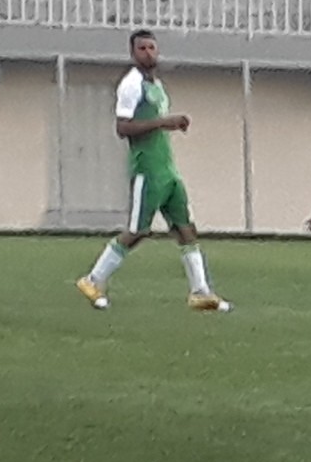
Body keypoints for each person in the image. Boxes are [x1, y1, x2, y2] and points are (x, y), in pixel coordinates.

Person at [78, 31, 228, 314]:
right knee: (138, 231)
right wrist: (162, 123)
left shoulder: (157, 85)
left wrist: (172, 123)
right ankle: (92, 280)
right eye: (142, 48)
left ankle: (200, 291)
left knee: (185, 228)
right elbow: (123, 128)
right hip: (146, 169)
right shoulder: (130, 84)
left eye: (152, 47)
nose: (148, 53)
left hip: (167, 169)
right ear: (133, 53)